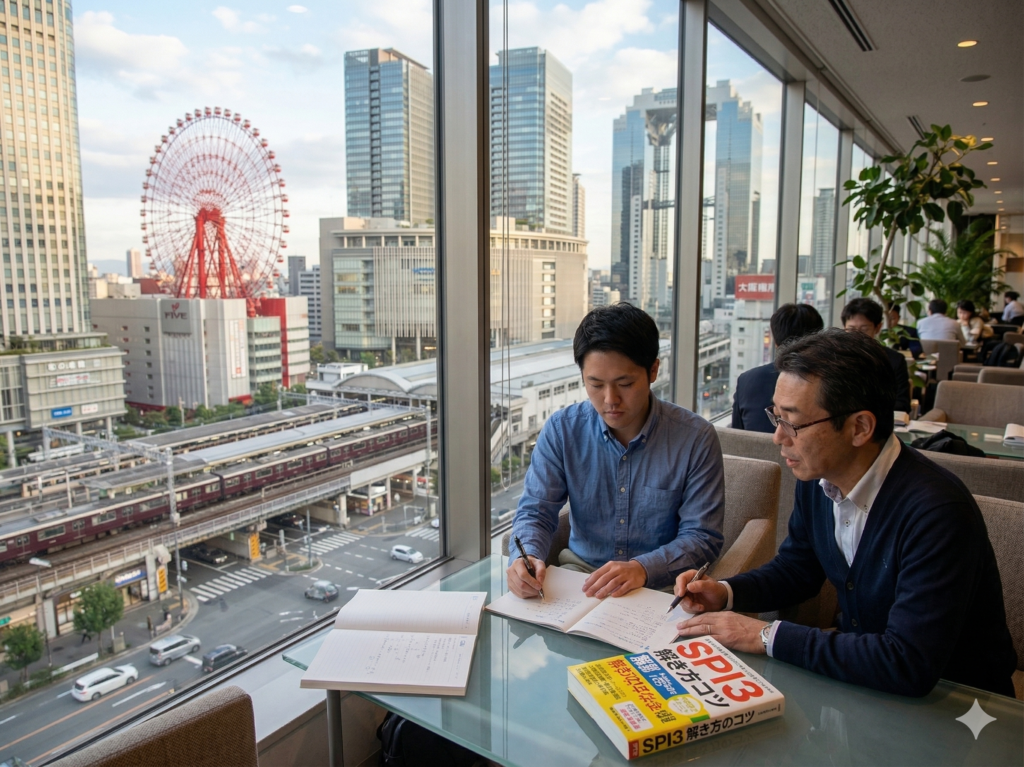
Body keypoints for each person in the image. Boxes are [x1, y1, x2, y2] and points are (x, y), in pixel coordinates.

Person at [672, 328, 1016, 698]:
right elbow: (797, 569)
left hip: (960, 705)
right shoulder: (817, 478)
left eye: (793, 422)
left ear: (860, 427)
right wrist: (724, 592)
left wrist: (764, 635)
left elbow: (907, 661)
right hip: (865, 683)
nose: (778, 438)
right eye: (776, 417)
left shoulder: (938, 513)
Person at [508, 303, 725, 599]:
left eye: (625, 383)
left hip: (659, 587)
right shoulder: (562, 430)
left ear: (653, 371)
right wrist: (526, 556)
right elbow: (536, 511)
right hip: (581, 579)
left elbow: (702, 537)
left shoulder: (695, 438)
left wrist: (642, 568)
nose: (610, 400)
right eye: (595, 384)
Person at [732, 303, 824, 433]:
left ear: (775, 342)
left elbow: (737, 437)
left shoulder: (747, 380)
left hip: (755, 453)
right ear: (819, 340)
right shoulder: (828, 382)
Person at [840, 298, 911, 413]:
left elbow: (902, 404)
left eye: (864, 329)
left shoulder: (894, 360)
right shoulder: (834, 358)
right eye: (851, 329)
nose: (857, 335)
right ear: (844, 328)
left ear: (878, 328)